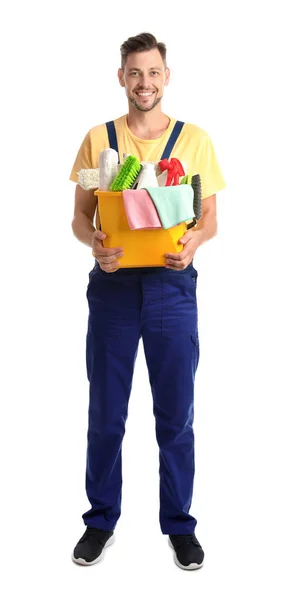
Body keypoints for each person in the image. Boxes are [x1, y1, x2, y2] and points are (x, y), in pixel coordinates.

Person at [69, 32, 226, 571]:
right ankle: (100, 521)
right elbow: (80, 216)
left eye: (153, 72)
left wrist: (193, 242)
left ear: (167, 76)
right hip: (112, 289)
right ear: (121, 78)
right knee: (106, 412)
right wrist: (95, 244)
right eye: (135, 73)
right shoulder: (98, 139)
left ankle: (180, 526)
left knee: (175, 415)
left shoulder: (194, 141)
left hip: (171, 286)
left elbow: (208, 219)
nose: (145, 83)